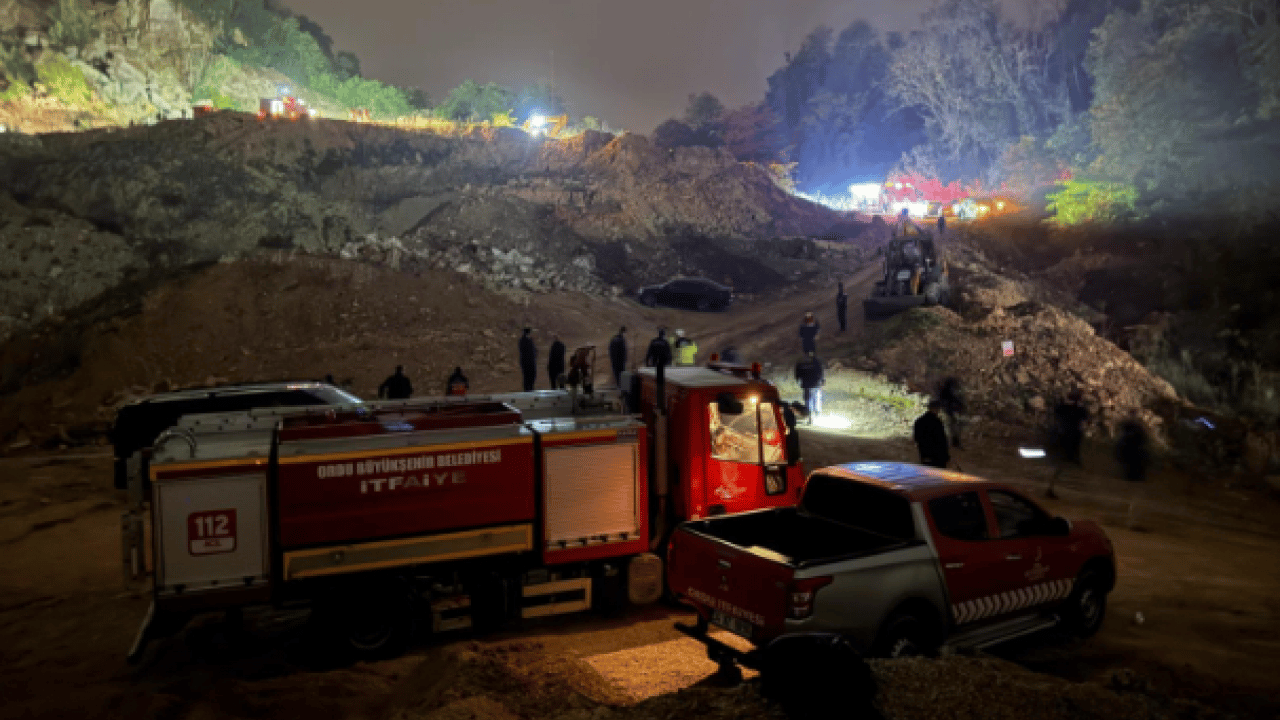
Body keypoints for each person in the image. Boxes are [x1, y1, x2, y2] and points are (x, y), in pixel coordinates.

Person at [1047, 390, 1089, 497]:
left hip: (1060, 437)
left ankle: (1051, 487)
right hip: (1071, 440)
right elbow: (1086, 419)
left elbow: (1055, 414)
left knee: (1059, 464)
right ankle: (1052, 488)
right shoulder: (1080, 410)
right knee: (1064, 464)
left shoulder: (1062, 407)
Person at [913, 400, 951, 469]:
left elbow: (916, 438)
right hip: (938, 457)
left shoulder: (918, 421)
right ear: (936, 409)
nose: (939, 411)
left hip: (925, 455)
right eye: (938, 409)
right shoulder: (937, 422)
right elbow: (941, 440)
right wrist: (946, 456)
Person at [1115, 415, 1150, 482]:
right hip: (1133, 457)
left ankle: (1134, 474)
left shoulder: (1130, 437)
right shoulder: (1129, 437)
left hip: (1134, 456)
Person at [938, 377, 965, 449]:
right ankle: (954, 442)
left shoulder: (946, 391)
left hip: (948, 411)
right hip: (947, 411)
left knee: (952, 427)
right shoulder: (947, 391)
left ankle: (954, 442)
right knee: (951, 427)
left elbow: (954, 400)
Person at [795, 352, 824, 418]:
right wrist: (821, 380)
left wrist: (799, 381)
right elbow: (820, 371)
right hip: (815, 384)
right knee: (816, 398)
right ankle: (817, 414)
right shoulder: (816, 361)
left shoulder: (800, 362)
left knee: (808, 400)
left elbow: (797, 374)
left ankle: (810, 415)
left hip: (806, 384)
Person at [518, 327, 537, 392]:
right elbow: (532, 352)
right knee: (530, 377)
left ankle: (527, 390)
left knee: (526, 377)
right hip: (529, 362)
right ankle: (529, 391)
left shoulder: (521, 340)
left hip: (524, 362)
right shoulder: (528, 341)